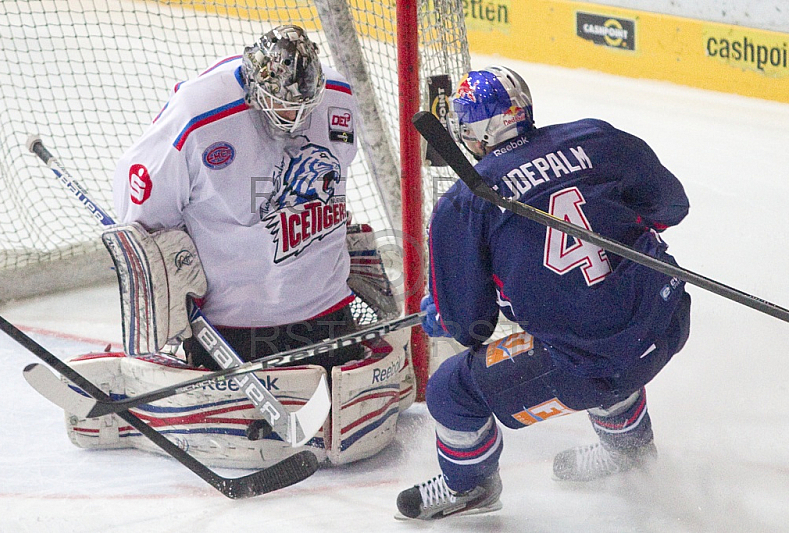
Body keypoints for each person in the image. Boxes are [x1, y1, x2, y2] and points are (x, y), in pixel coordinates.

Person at [396, 65, 691, 520]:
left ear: (474, 129)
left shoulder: (463, 204)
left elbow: (471, 327)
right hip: (667, 319)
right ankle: (627, 450)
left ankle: (470, 487)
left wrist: (442, 313)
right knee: (600, 329)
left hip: (590, 366)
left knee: (451, 390)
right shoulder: (594, 137)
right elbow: (671, 205)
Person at [113, 24, 363, 370]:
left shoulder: (337, 94)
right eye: (281, 104)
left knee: (336, 418)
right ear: (254, 85)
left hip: (326, 309)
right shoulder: (199, 111)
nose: (294, 117)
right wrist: (160, 266)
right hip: (232, 328)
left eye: (305, 106)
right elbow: (141, 201)